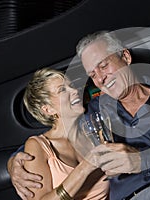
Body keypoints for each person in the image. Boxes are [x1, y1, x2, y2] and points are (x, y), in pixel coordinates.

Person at [8, 31, 150, 200]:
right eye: (92, 74)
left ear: (125, 57)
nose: (100, 78)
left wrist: (144, 161)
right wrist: (15, 164)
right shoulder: (95, 112)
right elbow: (56, 139)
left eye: (103, 66)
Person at [7, 68, 109, 200]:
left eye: (71, 86)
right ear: (47, 109)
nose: (74, 91)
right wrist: (85, 168)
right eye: (62, 90)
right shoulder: (38, 146)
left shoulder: (94, 131)